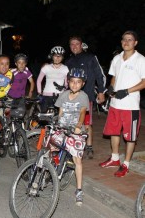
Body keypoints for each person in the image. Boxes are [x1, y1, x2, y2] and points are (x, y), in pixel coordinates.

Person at [99, 30, 145, 177]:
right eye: (124, 39)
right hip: (115, 104)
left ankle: (126, 164)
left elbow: (144, 82)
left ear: (135, 43)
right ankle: (114, 158)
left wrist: (127, 91)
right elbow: (114, 77)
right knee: (114, 131)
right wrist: (112, 88)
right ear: (121, 42)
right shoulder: (117, 58)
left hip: (130, 106)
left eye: (130, 40)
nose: (126, 42)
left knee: (130, 137)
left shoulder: (140, 60)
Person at [65, 36, 106, 159]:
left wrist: (101, 91)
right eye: (72, 44)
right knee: (71, 122)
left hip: (87, 96)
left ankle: (89, 146)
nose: (74, 46)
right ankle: (72, 145)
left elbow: (100, 75)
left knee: (87, 123)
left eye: (77, 44)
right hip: (71, 97)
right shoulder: (68, 61)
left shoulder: (90, 58)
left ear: (81, 45)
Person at [55, 68, 89, 206]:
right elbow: (60, 112)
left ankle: (79, 190)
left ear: (83, 84)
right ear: (68, 82)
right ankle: (52, 169)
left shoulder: (83, 97)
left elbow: (82, 112)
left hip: (76, 130)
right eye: (72, 81)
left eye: (78, 82)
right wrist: (57, 123)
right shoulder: (63, 95)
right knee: (51, 145)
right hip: (63, 126)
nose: (75, 84)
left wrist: (78, 126)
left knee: (77, 160)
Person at [37, 46, 69, 113]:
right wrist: (40, 93)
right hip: (46, 95)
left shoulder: (65, 68)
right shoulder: (46, 67)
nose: (57, 58)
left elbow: (66, 83)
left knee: (60, 117)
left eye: (59, 56)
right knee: (44, 117)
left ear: (62, 57)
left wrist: (64, 88)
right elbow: (39, 80)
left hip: (60, 96)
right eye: (55, 56)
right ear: (52, 56)